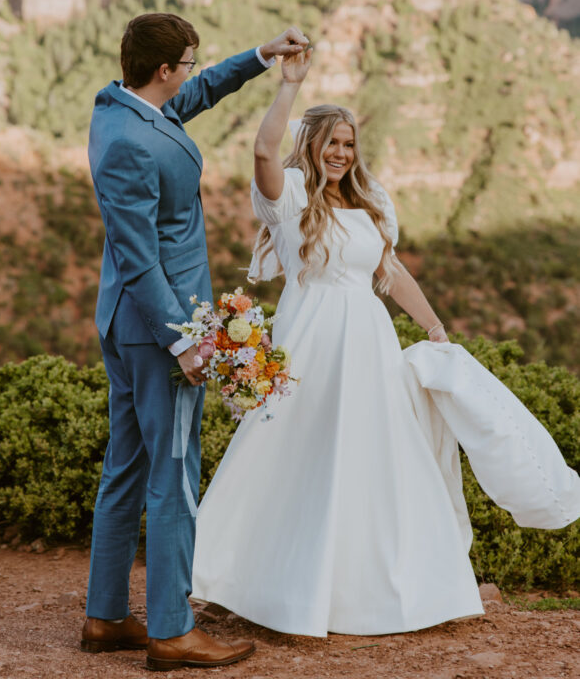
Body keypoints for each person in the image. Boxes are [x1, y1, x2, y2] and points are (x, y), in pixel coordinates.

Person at [192, 48, 580, 637]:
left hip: (367, 339)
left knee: (373, 455)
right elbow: (264, 148)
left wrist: (434, 327)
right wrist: (288, 86)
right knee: (295, 452)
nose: (341, 153)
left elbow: (391, 274)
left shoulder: (372, 203)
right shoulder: (290, 195)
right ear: (314, 144)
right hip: (309, 337)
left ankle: (374, 590)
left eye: (348, 143)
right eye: (331, 142)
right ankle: (261, 584)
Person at [81, 12, 309, 671]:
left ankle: (105, 616)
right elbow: (135, 253)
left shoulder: (123, 108)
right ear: (162, 69)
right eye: (186, 61)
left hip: (124, 322)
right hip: (159, 328)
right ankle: (173, 629)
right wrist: (183, 340)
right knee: (174, 471)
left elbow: (200, 92)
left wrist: (260, 57)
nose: (190, 72)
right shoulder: (130, 140)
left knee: (124, 464)